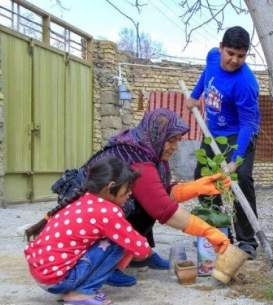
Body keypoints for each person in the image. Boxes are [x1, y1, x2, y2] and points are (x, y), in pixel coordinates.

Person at [33, 108, 231, 287]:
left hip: (104, 209)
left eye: (178, 140)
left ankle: (135, 256)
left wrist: (199, 187)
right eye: (172, 140)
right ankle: (108, 267)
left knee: (144, 204)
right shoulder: (137, 157)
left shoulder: (150, 150)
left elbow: (162, 192)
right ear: (158, 135)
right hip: (90, 217)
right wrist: (209, 232)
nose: (175, 146)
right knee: (142, 208)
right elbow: (163, 208)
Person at [24, 157, 150, 305]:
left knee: (113, 238)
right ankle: (82, 293)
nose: (130, 193)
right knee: (119, 243)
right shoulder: (107, 211)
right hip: (58, 280)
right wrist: (142, 250)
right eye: (127, 188)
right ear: (110, 187)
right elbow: (141, 249)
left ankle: (77, 288)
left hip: (42, 273)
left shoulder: (84, 200)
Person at [186, 26, 260, 259]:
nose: (234, 60)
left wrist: (236, 159)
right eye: (230, 53)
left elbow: (248, 124)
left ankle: (247, 241)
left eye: (241, 55)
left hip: (239, 135)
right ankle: (216, 229)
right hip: (213, 133)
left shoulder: (245, 83)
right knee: (203, 178)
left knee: (241, 181)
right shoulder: (212, 57)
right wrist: (195, 96)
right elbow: (206, 75)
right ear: (221, 48)